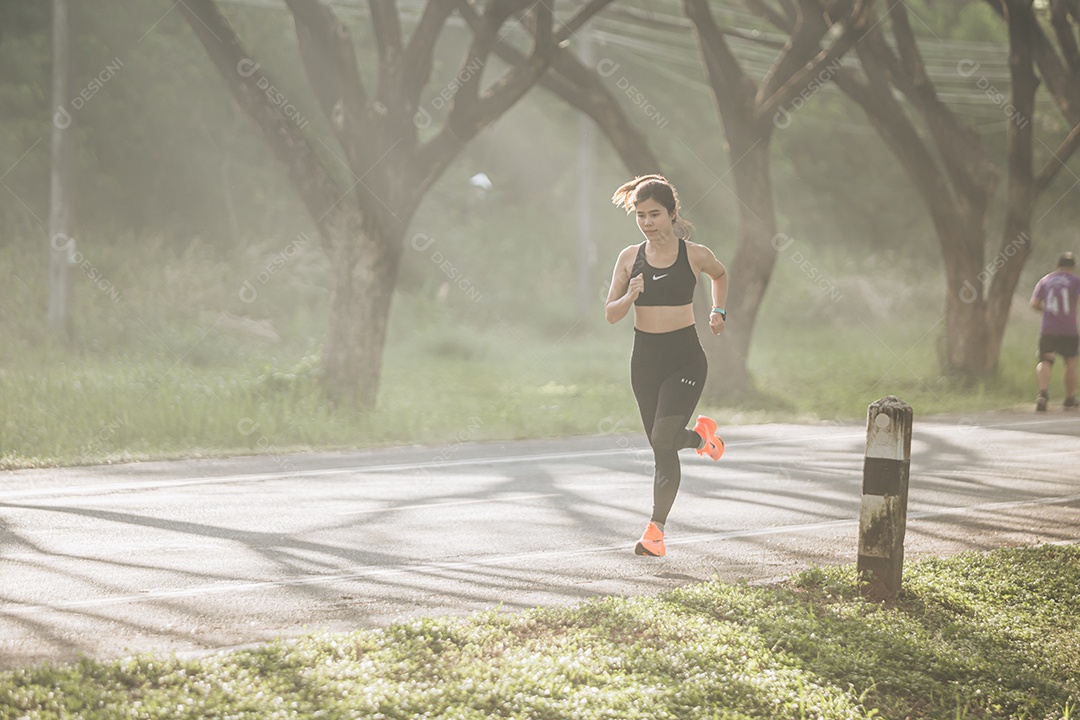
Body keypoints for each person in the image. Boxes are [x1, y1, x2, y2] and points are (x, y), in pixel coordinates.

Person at [604, 174, 728, 557]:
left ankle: (654, 532)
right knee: (663, 444)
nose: (647, 222)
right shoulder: (629, 257)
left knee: (662, 439)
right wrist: (631, 296)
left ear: (672, 214)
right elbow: (610, 314)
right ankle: (702, 438)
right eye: (640, 215)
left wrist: (718, 310)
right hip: (645, 361)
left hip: (685, 358)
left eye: (654, 214)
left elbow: (719, 275)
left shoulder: (694, 254)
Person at [1030, 251, 1080, 411]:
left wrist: (1046, 311)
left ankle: (1043, 394)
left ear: (1057, 265)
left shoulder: (1045, 280)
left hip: (1049, 328)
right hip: (1069, 329)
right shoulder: (1075, 281)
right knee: (1070, 363)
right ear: (1072, 267)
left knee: (1045, 360)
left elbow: (1034, 304)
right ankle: (1069, 398)